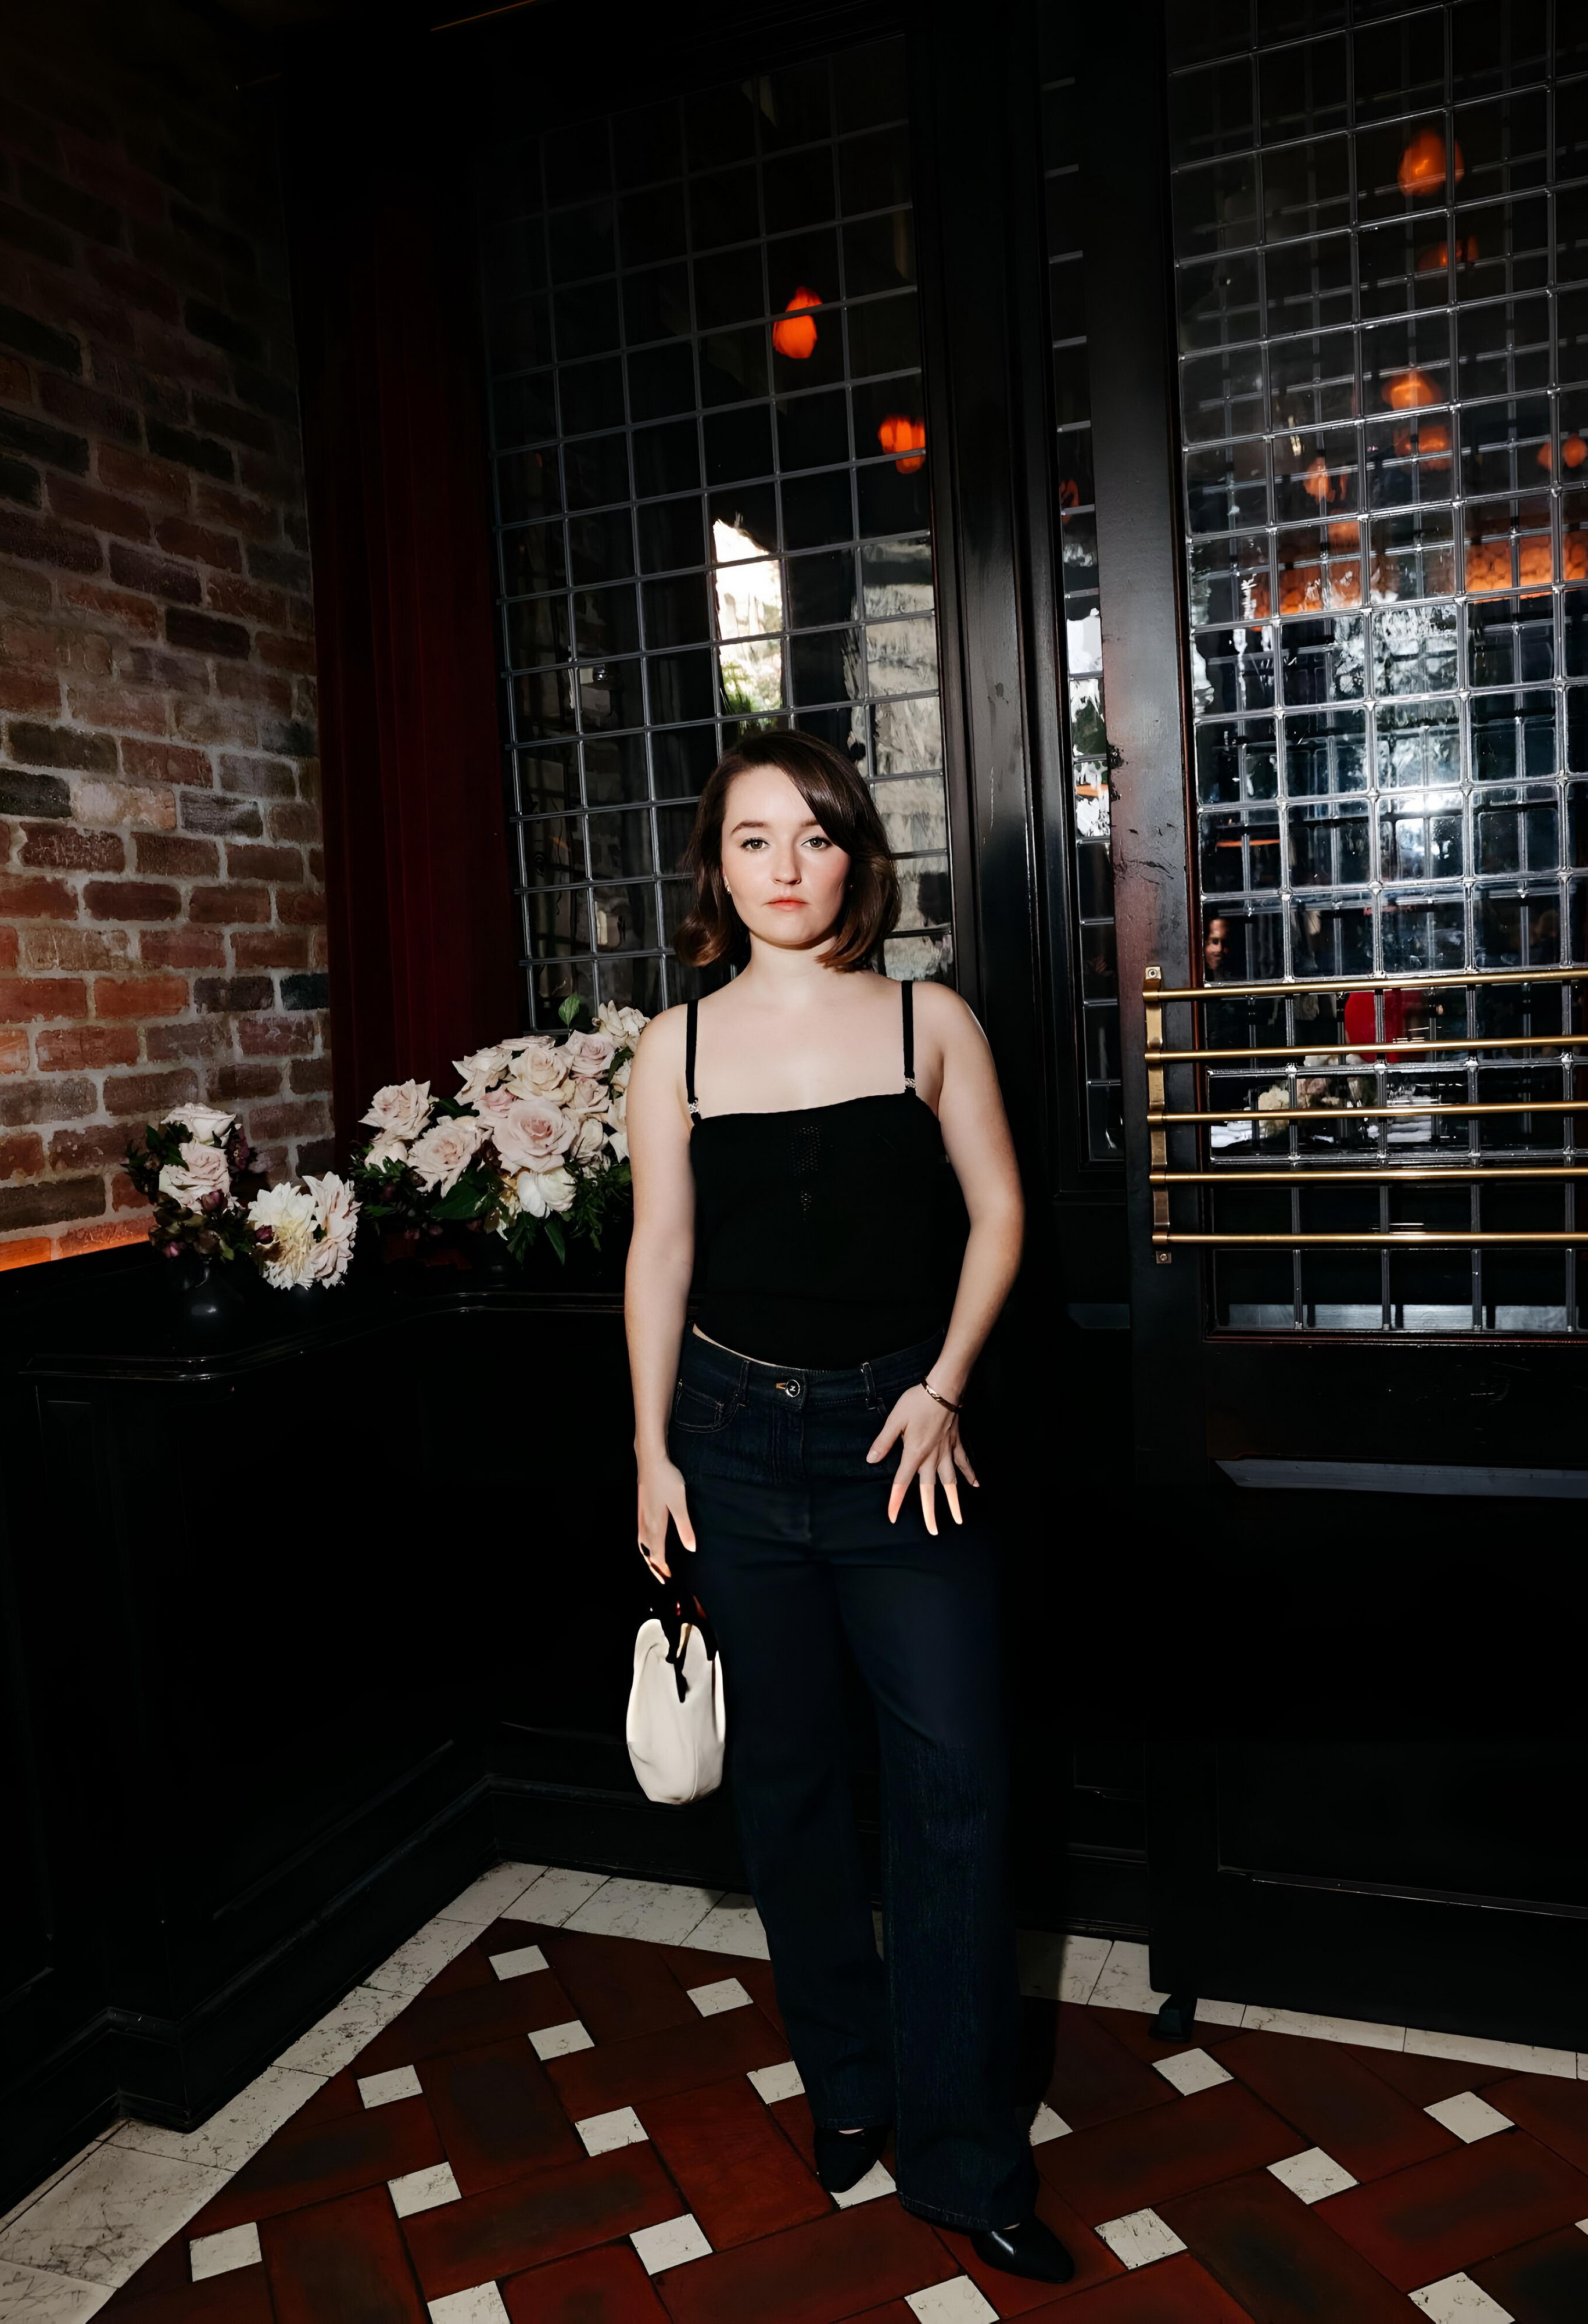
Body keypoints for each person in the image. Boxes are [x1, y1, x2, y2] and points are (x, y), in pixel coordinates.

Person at [622, 731, 1071, 2286]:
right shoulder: (673, 1049)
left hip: (902, 1440)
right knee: (791, 1786)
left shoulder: (927, 1020)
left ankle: (963, 2155)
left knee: (954, 1783)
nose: (786, 865)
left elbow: (1001, 1212)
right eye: (754, 839)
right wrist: (650, 1453)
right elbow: (660, 1255)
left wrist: (943, 1386)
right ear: (717, 866)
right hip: (730, 1443)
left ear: (854, 858)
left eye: (814, 835)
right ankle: (851, 2085)